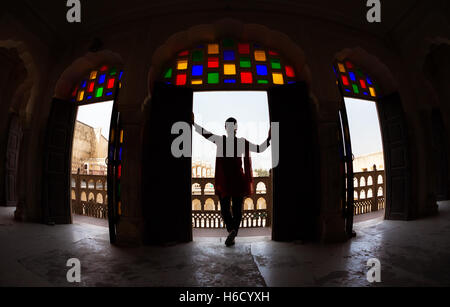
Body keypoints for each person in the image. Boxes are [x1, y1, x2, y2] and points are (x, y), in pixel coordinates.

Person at [192, 113, 271, 246]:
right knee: (236, 210)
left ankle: (232, 231)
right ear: (235, 128)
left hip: (226, 182)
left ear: (228, 128)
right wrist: (269, 139)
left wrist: (193, 123)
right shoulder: (240, 142)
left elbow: (205, 133)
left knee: (225, 209)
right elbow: (259, 148)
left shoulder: (221, 140)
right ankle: (233, 231)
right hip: (237, 181)